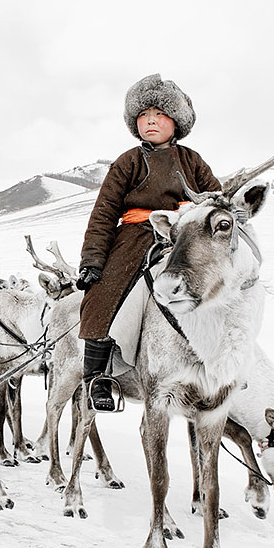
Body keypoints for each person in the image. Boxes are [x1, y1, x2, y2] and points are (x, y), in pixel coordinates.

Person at [75, 73, 222, 412]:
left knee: (221, 290)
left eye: (159, 114)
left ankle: (226, 363)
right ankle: (97, 379)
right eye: (143, 115)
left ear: (177, 122)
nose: (150, 121)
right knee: (102, 294)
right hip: (133, 240)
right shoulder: (128, 161)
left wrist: (191, 212)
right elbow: (103, 213)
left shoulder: (193, 161)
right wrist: (92, 262)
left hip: (183, 238)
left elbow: (216, 202)